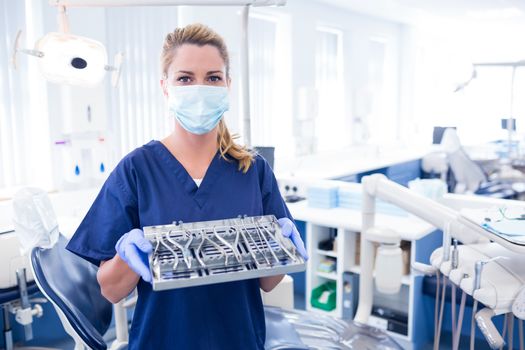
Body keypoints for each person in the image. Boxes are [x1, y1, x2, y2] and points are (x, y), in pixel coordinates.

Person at [66, 23, 308, 350]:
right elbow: (111, 291)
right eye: (184, 78)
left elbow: (267, 283)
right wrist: (126, 256)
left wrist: (281, 251)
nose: (199, 88)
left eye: (212, 77)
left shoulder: (253, 170)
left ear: (227, 85)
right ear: (165, 86)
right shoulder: (137, 170)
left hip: (238, 340)